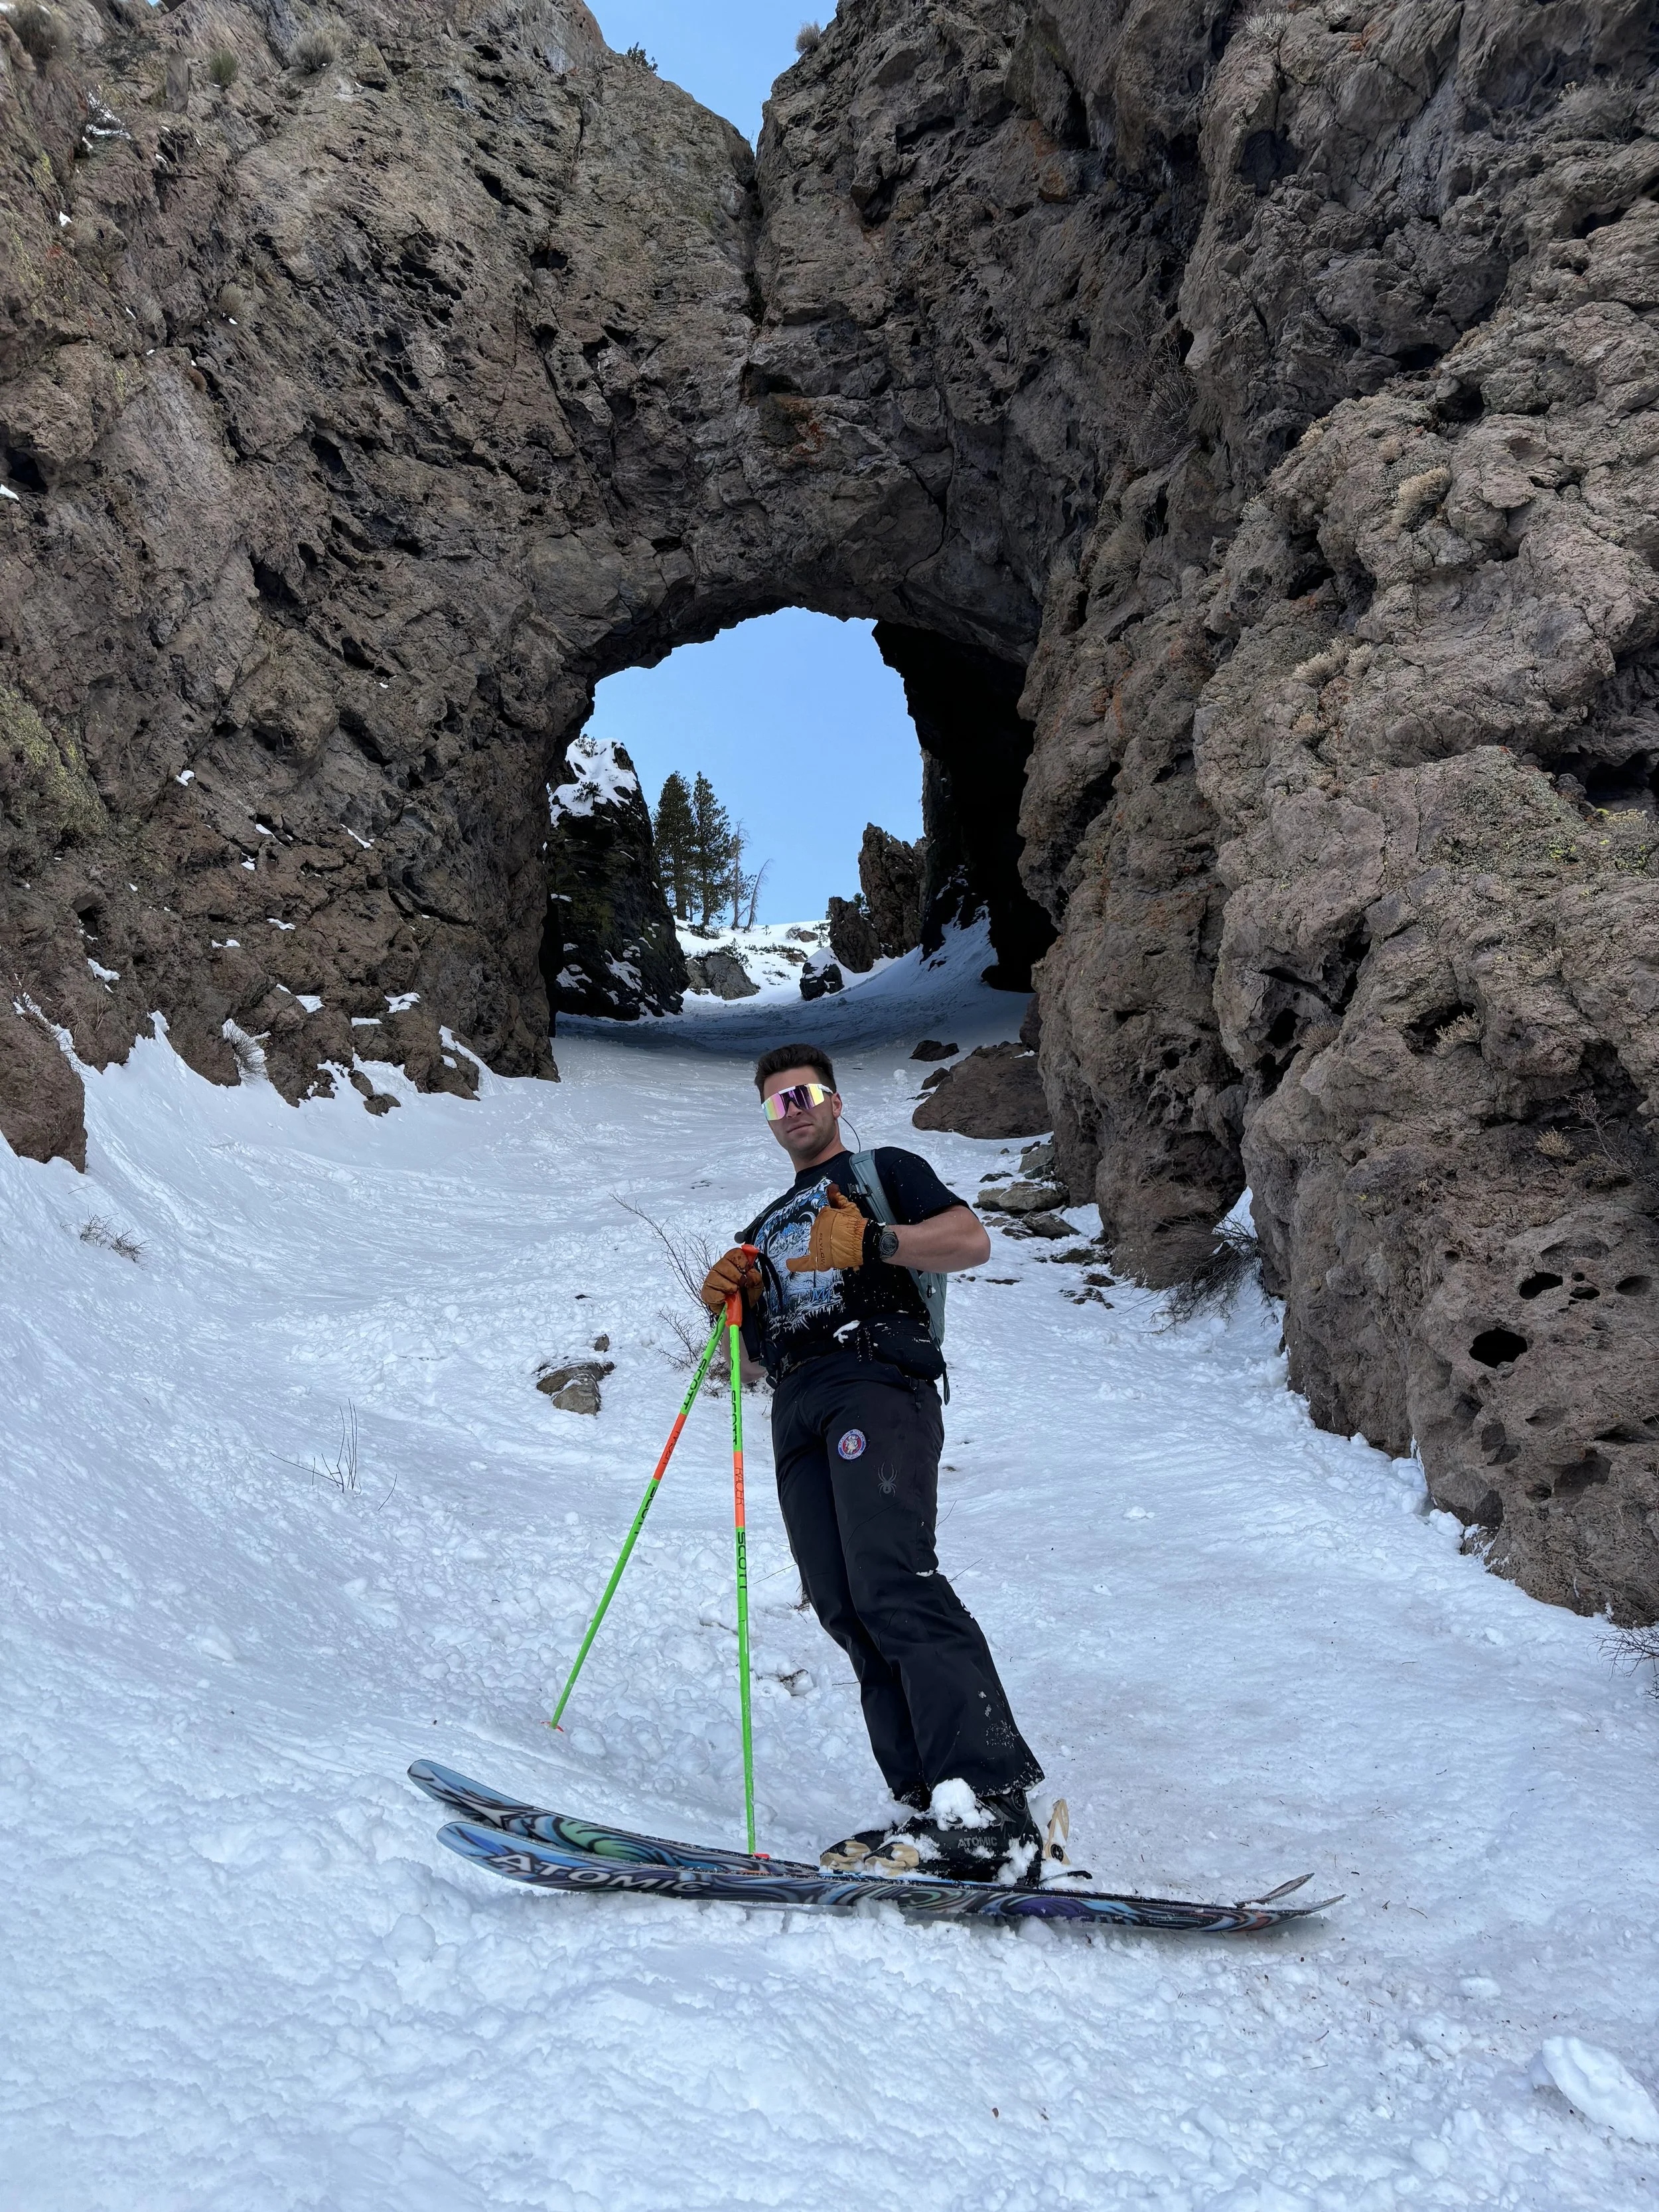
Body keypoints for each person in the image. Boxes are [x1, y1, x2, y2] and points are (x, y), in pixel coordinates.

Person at [700, 1041, 1045, 1883]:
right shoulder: (762, 1229)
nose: (796, 1110)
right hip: (796, 1401)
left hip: (876, 1377)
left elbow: (970, 1242)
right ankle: (925, 1802)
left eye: (807, 1093)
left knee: (892, 1577)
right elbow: (748, 1357)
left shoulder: (882, 1170)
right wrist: (728, 1306)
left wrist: (879, 1240)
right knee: (844, 1602)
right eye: (779, 1102)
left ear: (834, 1098)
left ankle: (992, 1809)